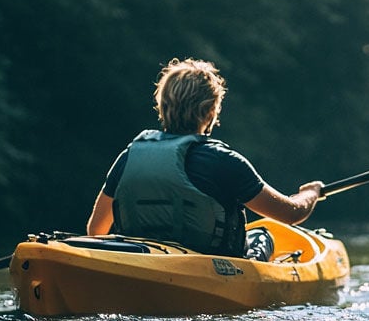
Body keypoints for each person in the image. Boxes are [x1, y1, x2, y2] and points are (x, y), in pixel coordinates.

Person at [86, 57, 323, 258]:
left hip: (142, 263)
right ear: (211, 110)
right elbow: (291, 213)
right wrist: (310, 192)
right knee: (262, 234)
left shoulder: (130, 157)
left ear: (162, 105)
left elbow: (96, 230)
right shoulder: (224, 161)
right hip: (211, 270)